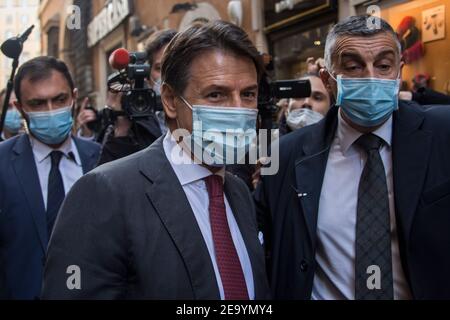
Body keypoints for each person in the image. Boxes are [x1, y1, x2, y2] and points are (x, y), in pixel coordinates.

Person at [42, 21, 270, 300]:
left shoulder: (238, 193)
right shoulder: (105, 192)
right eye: (216, 95)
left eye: (248, 94)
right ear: (171, 101)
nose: (238, 109)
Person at [254, 15, 450, 300]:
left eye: (383, 66)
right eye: (353, 66)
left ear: (399, 72)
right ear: (327, 80)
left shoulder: (443, 134)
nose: (371, 77)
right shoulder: (285, 154)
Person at [0, 56, 101, 299]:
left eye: (59, 99)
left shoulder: (101, 158)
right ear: (21, 107)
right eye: (37, 103)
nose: (50, 111)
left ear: (74, 97)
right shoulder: (2, 163)